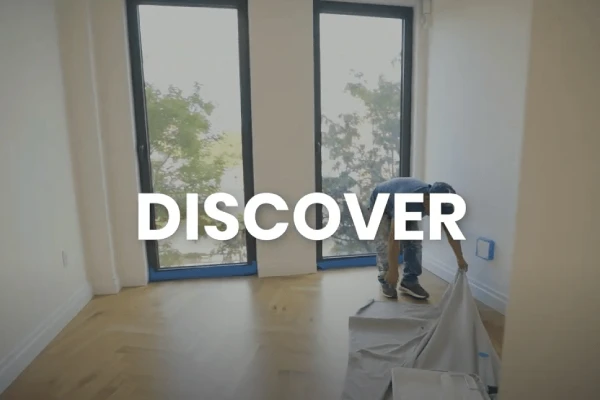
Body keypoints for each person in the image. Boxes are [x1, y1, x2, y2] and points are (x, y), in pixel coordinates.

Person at [366, 177, 469, 300]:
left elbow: (451, 232)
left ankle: (409, 281)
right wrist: (393, 270)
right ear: (426, 200)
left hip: (402, 200)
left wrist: (460, 258)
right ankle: (386, 279)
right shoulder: (407, 202)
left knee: (414, 241)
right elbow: (394, 239)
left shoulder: (436, 203)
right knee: (385, 243)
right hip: (381, 202)